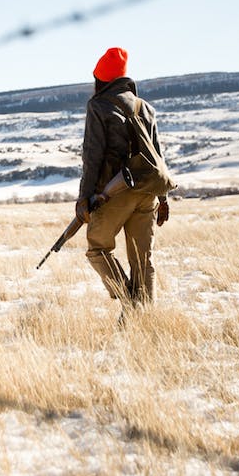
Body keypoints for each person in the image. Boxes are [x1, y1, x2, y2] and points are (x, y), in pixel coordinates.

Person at [76, 47, 169, 316]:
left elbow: (92, 155)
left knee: (97, 248)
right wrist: (162, 198)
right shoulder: (145, 107)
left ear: (100, 80)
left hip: (116, 193)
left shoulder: (98, 106)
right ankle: (140, 319)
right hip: (148, 192)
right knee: (143, 260)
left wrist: (84, 198)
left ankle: (129, 303)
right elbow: (157, 156)